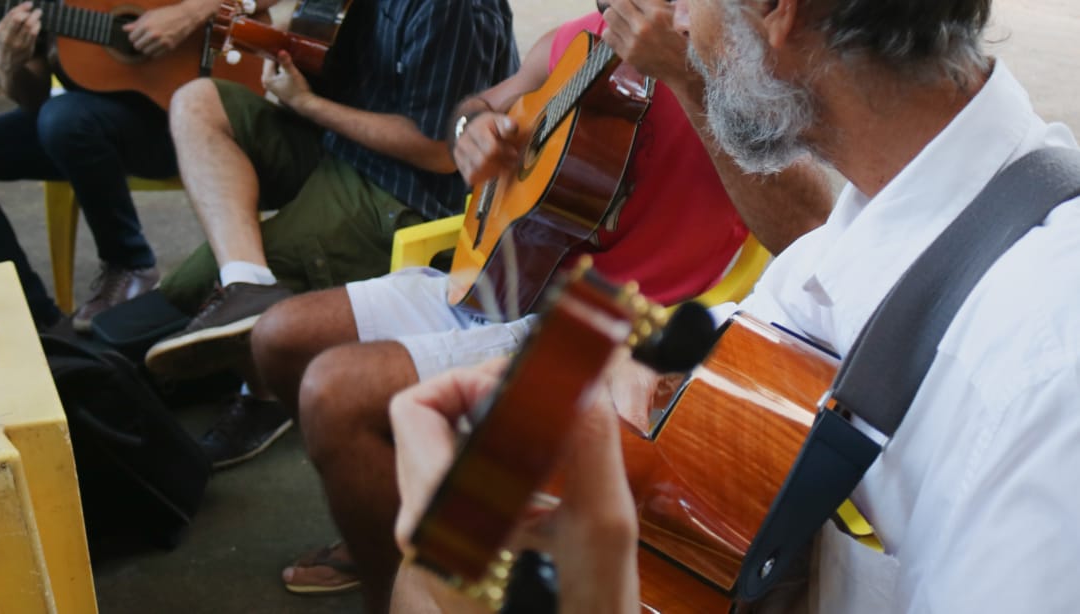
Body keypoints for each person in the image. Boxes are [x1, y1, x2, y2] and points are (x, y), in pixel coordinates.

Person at [391, 0, 1080, 611]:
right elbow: (736, 366)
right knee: (440, 565)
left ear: (778, 10)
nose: (679, 24)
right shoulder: (876, 215)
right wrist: (604, 388)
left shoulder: (1045, 368)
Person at [252, 0, 834, 609]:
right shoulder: (572, 40)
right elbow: (476, 107)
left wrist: (686, 76)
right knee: (279, 337)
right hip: (502, 271)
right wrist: (470, 134)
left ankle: (395, 582)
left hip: (609, 325)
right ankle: (381, 510)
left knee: (333, 393)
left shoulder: (737, 53)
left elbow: (812, 229)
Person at [139, 0, 520, 467]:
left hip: (404, 192)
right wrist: (272, 34)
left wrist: (309, 104)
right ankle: (247, 284)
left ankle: (266, 395)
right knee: (196, 100)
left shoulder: (451, 10)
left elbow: (438, 150)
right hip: (337, 145)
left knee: (189, 293)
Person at [0, 0, 218, 330]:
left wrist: (189, 12)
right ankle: (41, 324)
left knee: (64, 118)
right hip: (89, 126)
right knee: (62, 118)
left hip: (191, 116)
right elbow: (33, 99)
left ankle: (128, 262)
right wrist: (10, 65)